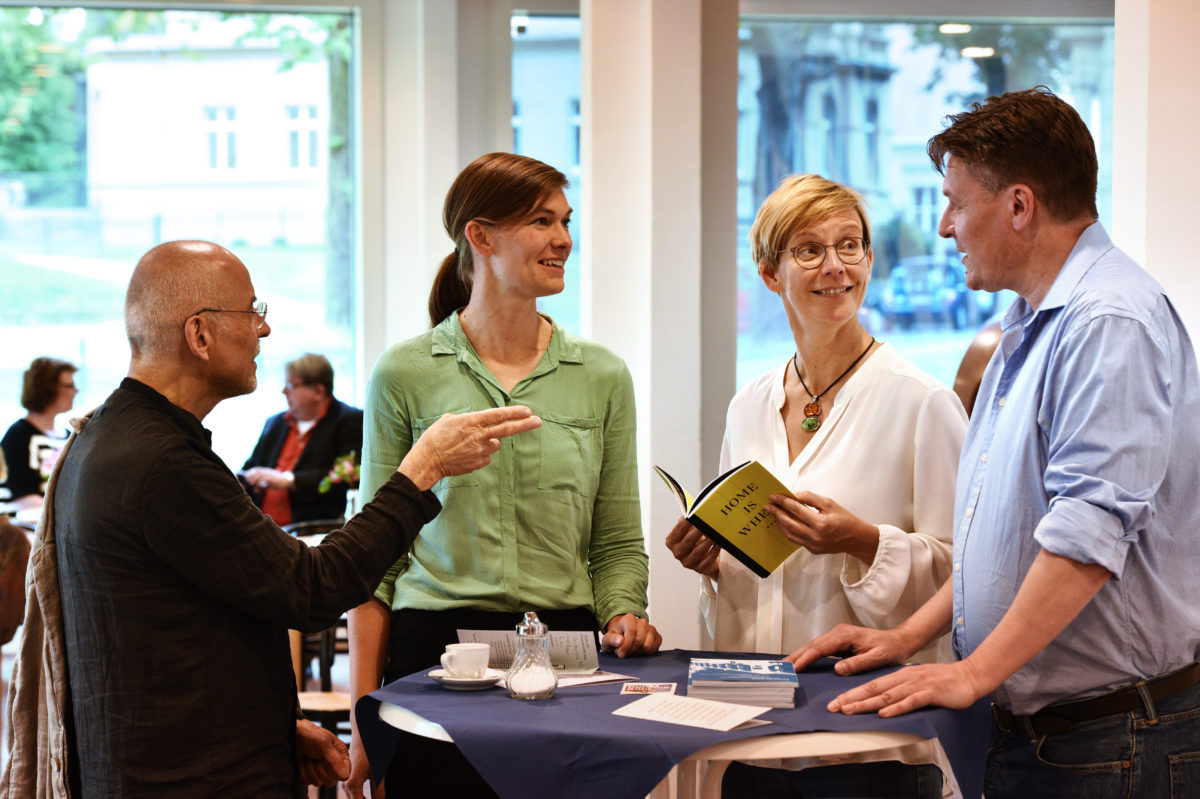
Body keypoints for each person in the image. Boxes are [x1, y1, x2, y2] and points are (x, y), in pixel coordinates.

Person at [0, 240, 542, 798]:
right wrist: (420, 471)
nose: (263, 330)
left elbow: (175, 641)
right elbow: (312, 589)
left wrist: (273, 731)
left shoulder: (118, 440)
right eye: (253, 311)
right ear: (199, 335)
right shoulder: (161, 462)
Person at [787, 87, 1200, 799]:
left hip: (1111, 737)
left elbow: (1086, 534)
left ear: (1018, 205)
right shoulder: (1027, 323)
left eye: (955, 202)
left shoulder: (1109, 321)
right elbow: (1003, 537)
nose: (945, 226)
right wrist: (904, 634)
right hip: (1050, 734)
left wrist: (973, 671)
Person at [343, 152, 662, 798]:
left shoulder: (603, 376)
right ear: (480, 236)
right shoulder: (403, 373)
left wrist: (626, 609)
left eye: (567, 221)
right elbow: (375, 564)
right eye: (542, 221)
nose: (564, 239)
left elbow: (617, 540)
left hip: (567, 655)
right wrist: (362, 719)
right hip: (433, 659)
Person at [664, 174, 966, 797]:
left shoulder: (922, 402)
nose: (836, 266)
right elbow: (748, 559)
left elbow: (970, 572)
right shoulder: (748, 406)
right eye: (809, 250)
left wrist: (862, 541)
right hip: (753, 728)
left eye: (849, 245)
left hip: (868, 740)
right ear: (771, 273)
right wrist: (712, 560)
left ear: (870, 259)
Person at [242, 353, 364, 524]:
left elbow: (343, 479)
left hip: (313, 532)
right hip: (261, 530)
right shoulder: (275, 423)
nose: (284, 391)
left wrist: (288, 480)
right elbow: (251, 467)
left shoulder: (351, 421)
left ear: (318, 392)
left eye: (291, 385)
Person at [0, 356, 78, 510]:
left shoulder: (69, 435)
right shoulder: (18, 436)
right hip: (27, 527)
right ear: (47, 389)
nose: (76, 391)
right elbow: (22, 496)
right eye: (69, 385)